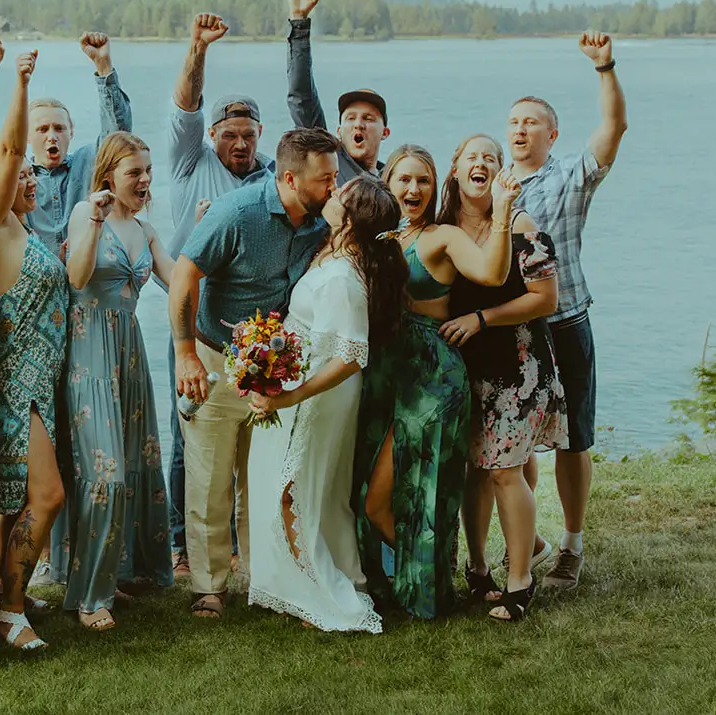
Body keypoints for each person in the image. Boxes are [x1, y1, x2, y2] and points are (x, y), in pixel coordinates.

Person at [170, 127, 341, 620]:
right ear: (290, 178)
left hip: (276, 366)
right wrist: (185, 355)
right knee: (209, 478)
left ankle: (262, 578)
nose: (334, 187)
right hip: (215, 360)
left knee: (264, 477)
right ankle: (209, 587)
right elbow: (185, 275)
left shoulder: (319, 220)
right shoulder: (237, 214)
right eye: (324, 179)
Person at [354, 143, 515, 620]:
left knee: (411, 491)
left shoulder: (443, 236)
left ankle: (424, 588)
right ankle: (396, 584)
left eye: (422, 180)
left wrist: (502, 214)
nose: (413, 189)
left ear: (434, 185)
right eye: (403, 179)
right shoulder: (376, 238)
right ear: (388, 183)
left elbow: (492, 272)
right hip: (382, 370)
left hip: (432, 377)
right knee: (369, 489)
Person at [245, 175, 406, 633]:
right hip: (302, 382)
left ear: (351, 221)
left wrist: (292, 394)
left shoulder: (343, 276)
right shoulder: (335, 252)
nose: (331, 196)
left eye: (341, 197)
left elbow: (352, 356)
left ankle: (320, 590)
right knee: (312, 489)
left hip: (319, 394)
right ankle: (305, 579)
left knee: (295, 489)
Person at [508, 31, 627, 591]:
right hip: (515, 327)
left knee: (573, 438)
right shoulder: (492, 185)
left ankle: (572, 546)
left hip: (566, 323)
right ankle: (525, 542)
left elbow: (613, 131)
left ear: (551, 134)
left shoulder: (569, 178)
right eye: (513, 122)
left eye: (531, 122)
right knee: (520, 439)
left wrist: (604, 68)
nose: (519, 129)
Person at [437, 134, 566, 623]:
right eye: (472, 156)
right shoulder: (441, 227)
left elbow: (546, 300)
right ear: (455, 169)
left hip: (517, 365)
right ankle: (476, 568)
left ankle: (520, 580)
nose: (483, 163)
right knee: (476, 469)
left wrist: (482, 319)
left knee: (504, 470)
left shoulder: (519, 223)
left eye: (491, 158)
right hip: (462, 367)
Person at [52, 133, 176, 630]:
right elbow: (77, 277)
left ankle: (117, 573)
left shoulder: (145, 230)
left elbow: (177, 280)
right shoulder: (86, 212)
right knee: (105, 474)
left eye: (148, 171)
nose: (145, 180)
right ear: (108, 177)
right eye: (134, 173)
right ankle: (88, 597)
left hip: (130, 353)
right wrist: (98, 216)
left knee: (134, 464)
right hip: (89, 355)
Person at [163, 10, 271, 576]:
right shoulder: (190, 163)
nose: (238, 143)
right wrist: (197, 47)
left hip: (255, 337)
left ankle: (245, 553)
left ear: (260, 136)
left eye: (248, 135)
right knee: (190, 442)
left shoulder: (273, 178)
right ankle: (185, 548)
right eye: (228, 134)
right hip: (195, 329)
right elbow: (185, 104)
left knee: (252, 445)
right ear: (212, 137)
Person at [0, 50, 68, 652]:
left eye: (34, 171)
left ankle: (8, 593)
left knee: (19, 503)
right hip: (14, 386)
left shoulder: (27, 230)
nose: (29, 177)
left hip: (40, 381)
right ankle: (8, 609)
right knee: (46, 497)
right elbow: (5, 151)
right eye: (21, 172)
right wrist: (20, 82)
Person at [0, 33, 134, 252]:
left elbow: (117, 136)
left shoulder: (88, 162)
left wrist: (103, 66)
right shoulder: (19, 179)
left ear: (71, 131)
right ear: (27, 136)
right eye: (42, 129)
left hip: (84, 280)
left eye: (59, 128)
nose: (52, 136)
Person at [286, 0, 390, 182]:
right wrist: (299, 22)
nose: (358, 125)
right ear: (339, 131)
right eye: (350, 118)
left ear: (385, 132)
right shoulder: (329, 160)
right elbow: (302, 98)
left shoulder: (393, 179)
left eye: (368, 119)